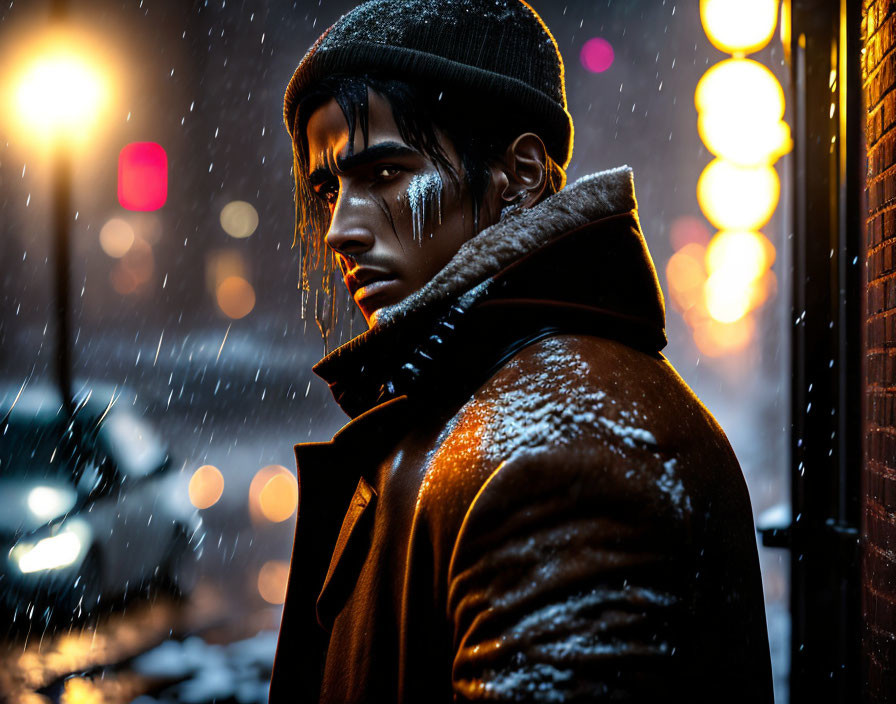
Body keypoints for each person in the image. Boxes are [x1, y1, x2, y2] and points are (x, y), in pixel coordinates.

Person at [271, 1, 774, 702]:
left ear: (523, 175)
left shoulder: (565, 447)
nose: (339, 230)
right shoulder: (486, 400)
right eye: (329, 189)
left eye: (385, 174)